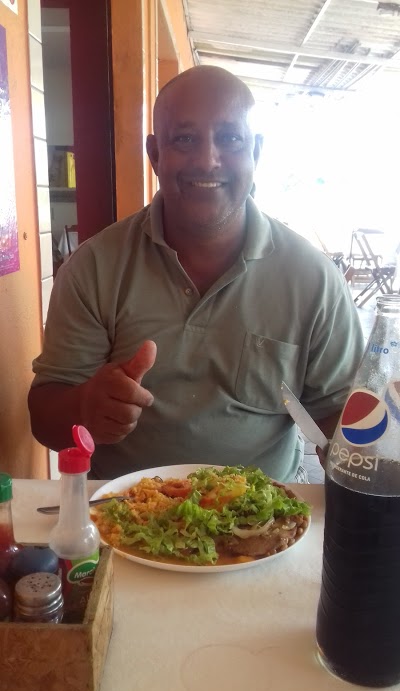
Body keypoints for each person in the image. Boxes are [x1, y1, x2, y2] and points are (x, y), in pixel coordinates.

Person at [28, 66, 364, 481]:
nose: (207, 161)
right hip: (121, 513)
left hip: (268, 515)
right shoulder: (95, 268)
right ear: (155, 155)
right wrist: (84, 407)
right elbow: (43, 418)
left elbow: (345, 419)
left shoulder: (313, 280)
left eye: (230, 138)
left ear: (256, 151)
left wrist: (364, 461)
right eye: (185, 139)